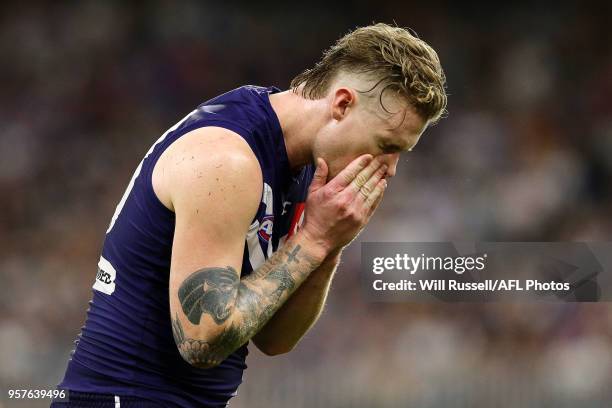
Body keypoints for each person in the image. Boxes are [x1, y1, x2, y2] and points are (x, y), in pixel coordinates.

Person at [52, 23, 447, 407]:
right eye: (386, 145)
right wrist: (314, 240)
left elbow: (275, 340)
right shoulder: (228, 159)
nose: (390, 167)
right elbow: (201, 340)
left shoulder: (301, 162)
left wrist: (331, 243)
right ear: (342, 104)